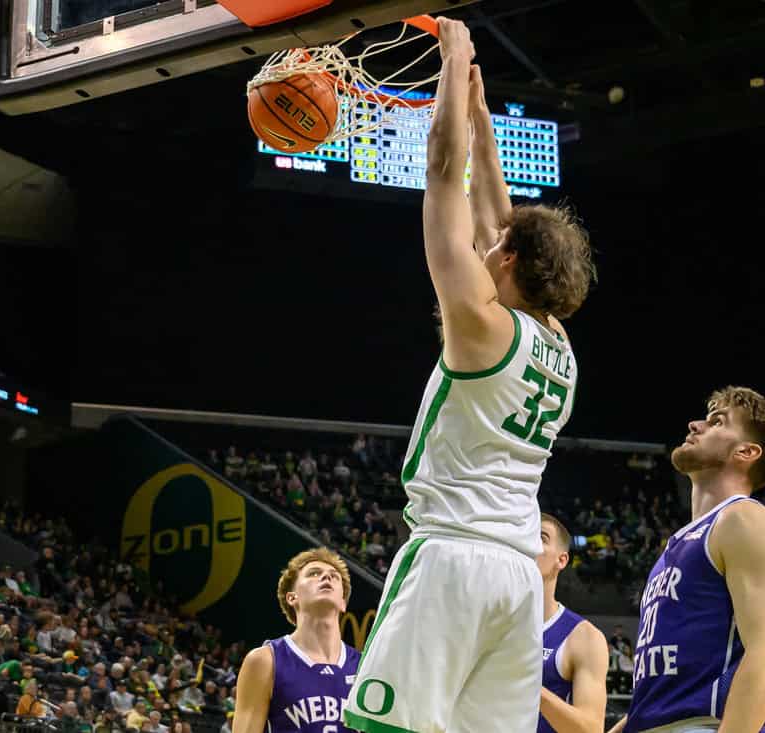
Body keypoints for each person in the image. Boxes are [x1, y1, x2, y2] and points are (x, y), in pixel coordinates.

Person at [342, 18, 595, 733]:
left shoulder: (479, 323)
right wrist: (483, 114)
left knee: (381, 728)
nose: (487, 242)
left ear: (508, 259)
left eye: (499, 244)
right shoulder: (558, 344)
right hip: (515, 578)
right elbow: (496, 210)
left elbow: (440, 169)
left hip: (451, 558)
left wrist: (453, 61)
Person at [608, 387, 765, 733]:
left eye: (716, 422)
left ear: (746, 451)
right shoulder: (680, 543)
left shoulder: (744, 520)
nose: (695, 425)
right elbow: (666, 691)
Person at [234, 548, 360, 732]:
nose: (326, 577)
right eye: (314, 573)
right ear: (292, 597)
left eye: (334, 576)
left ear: (343, 603)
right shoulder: (265, 661)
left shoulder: (365, 667)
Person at [536, 514, 609, 733]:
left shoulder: (583, 637)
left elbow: (591, 729)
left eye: (541, 537)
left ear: (562, 560)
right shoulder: (489, 625)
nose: (529, 544)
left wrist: (528, 684)